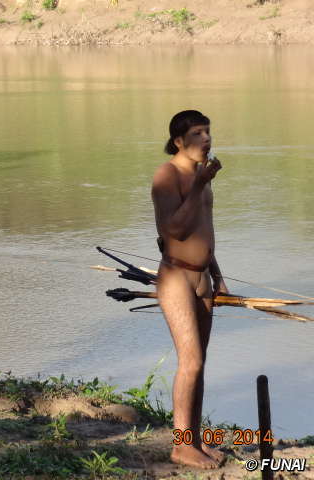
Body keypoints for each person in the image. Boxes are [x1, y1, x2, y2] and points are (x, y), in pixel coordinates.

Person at [151, 110, 228, 469]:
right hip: (177, 276)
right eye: (198, 133)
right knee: (191, 361)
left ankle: (194, 441)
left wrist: (218, 275)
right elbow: (174, 232)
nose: (207, 139)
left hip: (203, 277)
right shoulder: (167, 175)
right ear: (179, 141)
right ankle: (181, 446)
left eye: (208, 132)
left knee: (200, 364)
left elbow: (202, 230)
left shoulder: (202, 175)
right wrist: (198, 185)